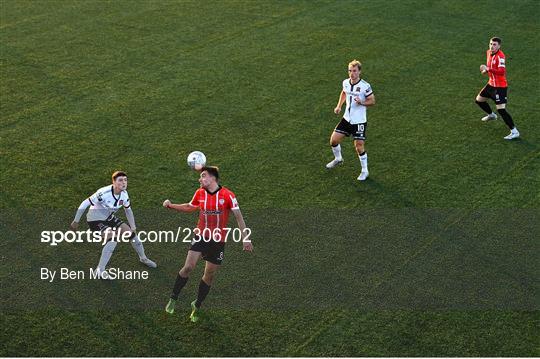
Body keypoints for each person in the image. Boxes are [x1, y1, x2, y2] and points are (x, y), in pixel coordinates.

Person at [163, 166, 253, 322]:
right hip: (201, 235)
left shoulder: (228, 195)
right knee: (188, 267)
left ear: (213, 178)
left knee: (209, 275)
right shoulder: (200, 193)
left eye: (203, 176)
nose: (200, 179)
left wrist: (245, 238)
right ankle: (173, 298)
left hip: (218, 240)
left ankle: (196, 305)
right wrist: (171, 205)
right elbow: (190, 206)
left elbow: (239, 217)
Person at [70, 171, 157, 279]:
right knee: (112, 239)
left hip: (109, 218)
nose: (124, 182)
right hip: (95, 219)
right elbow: (85, 202)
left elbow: (128, 210)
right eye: (120, 180)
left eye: (125, 180)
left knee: (132, 235)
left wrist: (133, 227)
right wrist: (76, 221)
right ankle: (100, 270)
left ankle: (143, 258)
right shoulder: (103, 193)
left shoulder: (124, 195)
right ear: (114, 182)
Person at [326, 59, 376, 181]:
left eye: (354, 71)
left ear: (359, 72)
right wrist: (339, 106)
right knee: (333, 140)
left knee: (359, 146)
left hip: (359, 121)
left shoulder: (365, 86)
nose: (352, 73)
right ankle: (338, 159)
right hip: (346, 119)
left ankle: (365, 171)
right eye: (350, 71)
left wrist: (362, 102)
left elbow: (372, 101)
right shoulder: (346, 83)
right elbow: (344, 92)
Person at [475, 37, 520, 140]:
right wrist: (485, 71)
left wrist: (488, 69)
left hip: (500, 87)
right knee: (479, 100)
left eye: (494, 44)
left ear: (499, 46)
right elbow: (490, 67)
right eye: (491, 44)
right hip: (491, 84)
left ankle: (514, 131)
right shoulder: (488, 52)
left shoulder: (501, 57)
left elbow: (501, 71)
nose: (492, 46)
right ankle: (491, 115)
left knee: (501, 110)